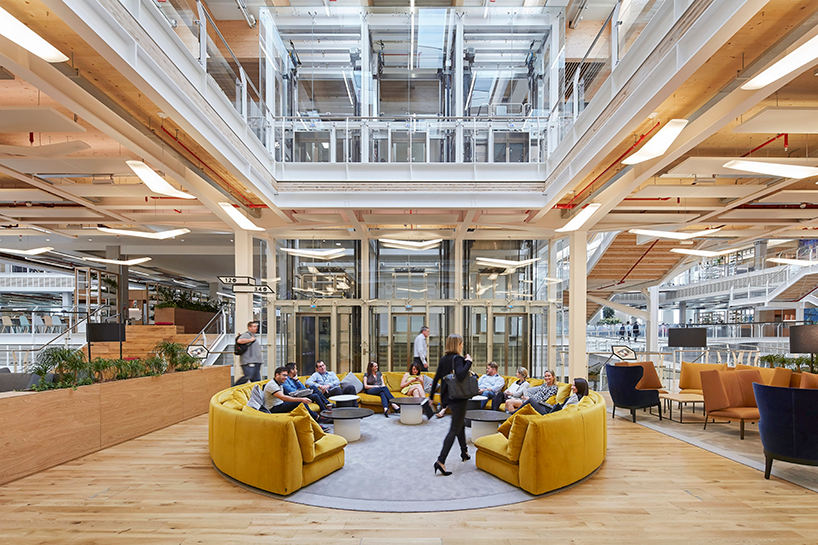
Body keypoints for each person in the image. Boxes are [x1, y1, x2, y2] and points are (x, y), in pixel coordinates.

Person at [434, 334, 473, 476]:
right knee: (454, 428)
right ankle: (441, 460)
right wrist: (469, 362)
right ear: (458, 344)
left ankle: (464, 452)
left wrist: (434, 397)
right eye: (461, 343)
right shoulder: (458, 359)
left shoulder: (444, 359)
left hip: (450, 397)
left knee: (460, 424)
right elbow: (461, 375)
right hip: (459, 398)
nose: (462, 346)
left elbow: (438, 377)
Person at [247, 367, 328, 430]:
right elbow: (283, 397)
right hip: (273, 408)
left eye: (286, 375)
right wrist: (301, 399)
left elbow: (286, 396)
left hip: (280, 404)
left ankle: (316, 422)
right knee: (300, 403)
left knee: (302, 405)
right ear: (277, 375)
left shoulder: (279, 383)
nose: (286, 377)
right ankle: (317, 421)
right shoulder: (272, 385)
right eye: (284, 375)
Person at [235, 321, 262, 385]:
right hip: (249, 361)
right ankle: (235, 387)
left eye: (256, 326)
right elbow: (239, 340)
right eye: (254, 326)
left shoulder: (253, 335)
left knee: (256, 379)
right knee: (248, 375)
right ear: (249, 328)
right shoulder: (247, 335)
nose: (256, 328)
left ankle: (257, 392)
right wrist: (251, 340)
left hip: (256, 361)